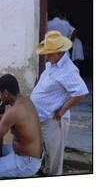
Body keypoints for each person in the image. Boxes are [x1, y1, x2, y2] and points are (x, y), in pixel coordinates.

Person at [30, 30, 89, 176]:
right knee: (46, 152)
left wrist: (63, 109)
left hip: (54, 120)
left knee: (54, 158)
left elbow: (81, 92)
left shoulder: (69, 70)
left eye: (48, 53)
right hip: (42, 118)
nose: (46, 55)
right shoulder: (52, 63)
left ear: (58, 52)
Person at [0, 74, 43, 180]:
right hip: (30, 156)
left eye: (0, 94)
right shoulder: (25, 101)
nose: (0, 97)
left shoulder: (14, 111)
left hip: (26, 161)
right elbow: (10, 120)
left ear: (5, 93)